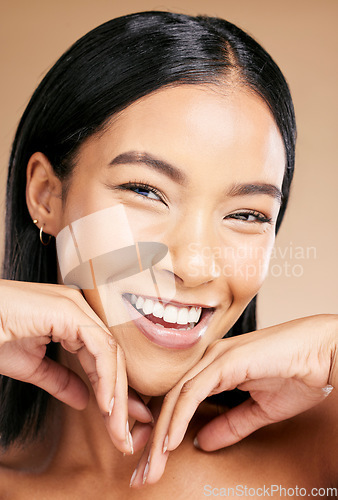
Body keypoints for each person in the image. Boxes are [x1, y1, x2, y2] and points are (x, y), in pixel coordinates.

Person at [0, 10, 337, 497]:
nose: (195, 265)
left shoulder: (318, 451)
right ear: (47, 196)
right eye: (145, 190)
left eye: (247, 215)